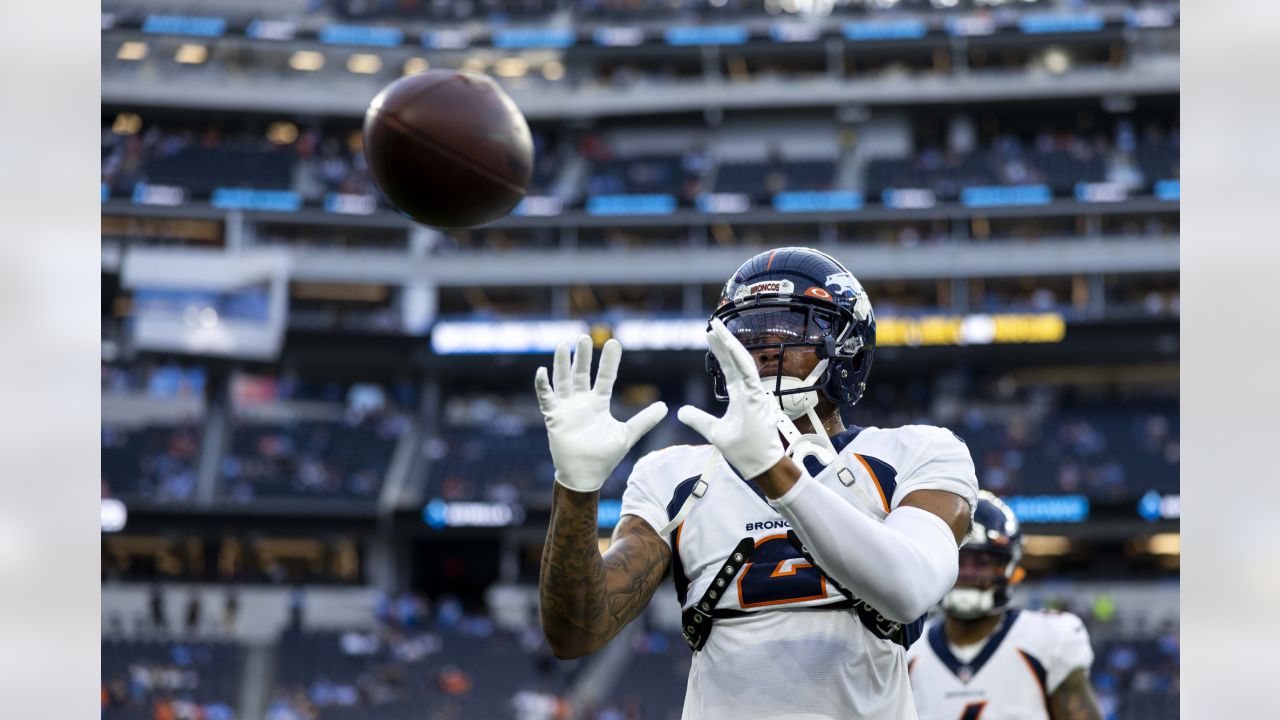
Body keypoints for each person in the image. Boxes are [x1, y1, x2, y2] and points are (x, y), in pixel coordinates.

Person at [536, 247, 978, 719]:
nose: (766, 347)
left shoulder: (917, 453)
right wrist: (576, 488)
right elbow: (576, 632)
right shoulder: (675, 475)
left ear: (849, 347)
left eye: (794, 327)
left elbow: (908, 589)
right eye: (746, 332)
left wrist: (773, 469)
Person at [907, 491, 1103, 719]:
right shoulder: (908, 648)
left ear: (1010, 567)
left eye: (983, 562)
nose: (969, 573)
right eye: (959, 559)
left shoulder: (1050, 638)